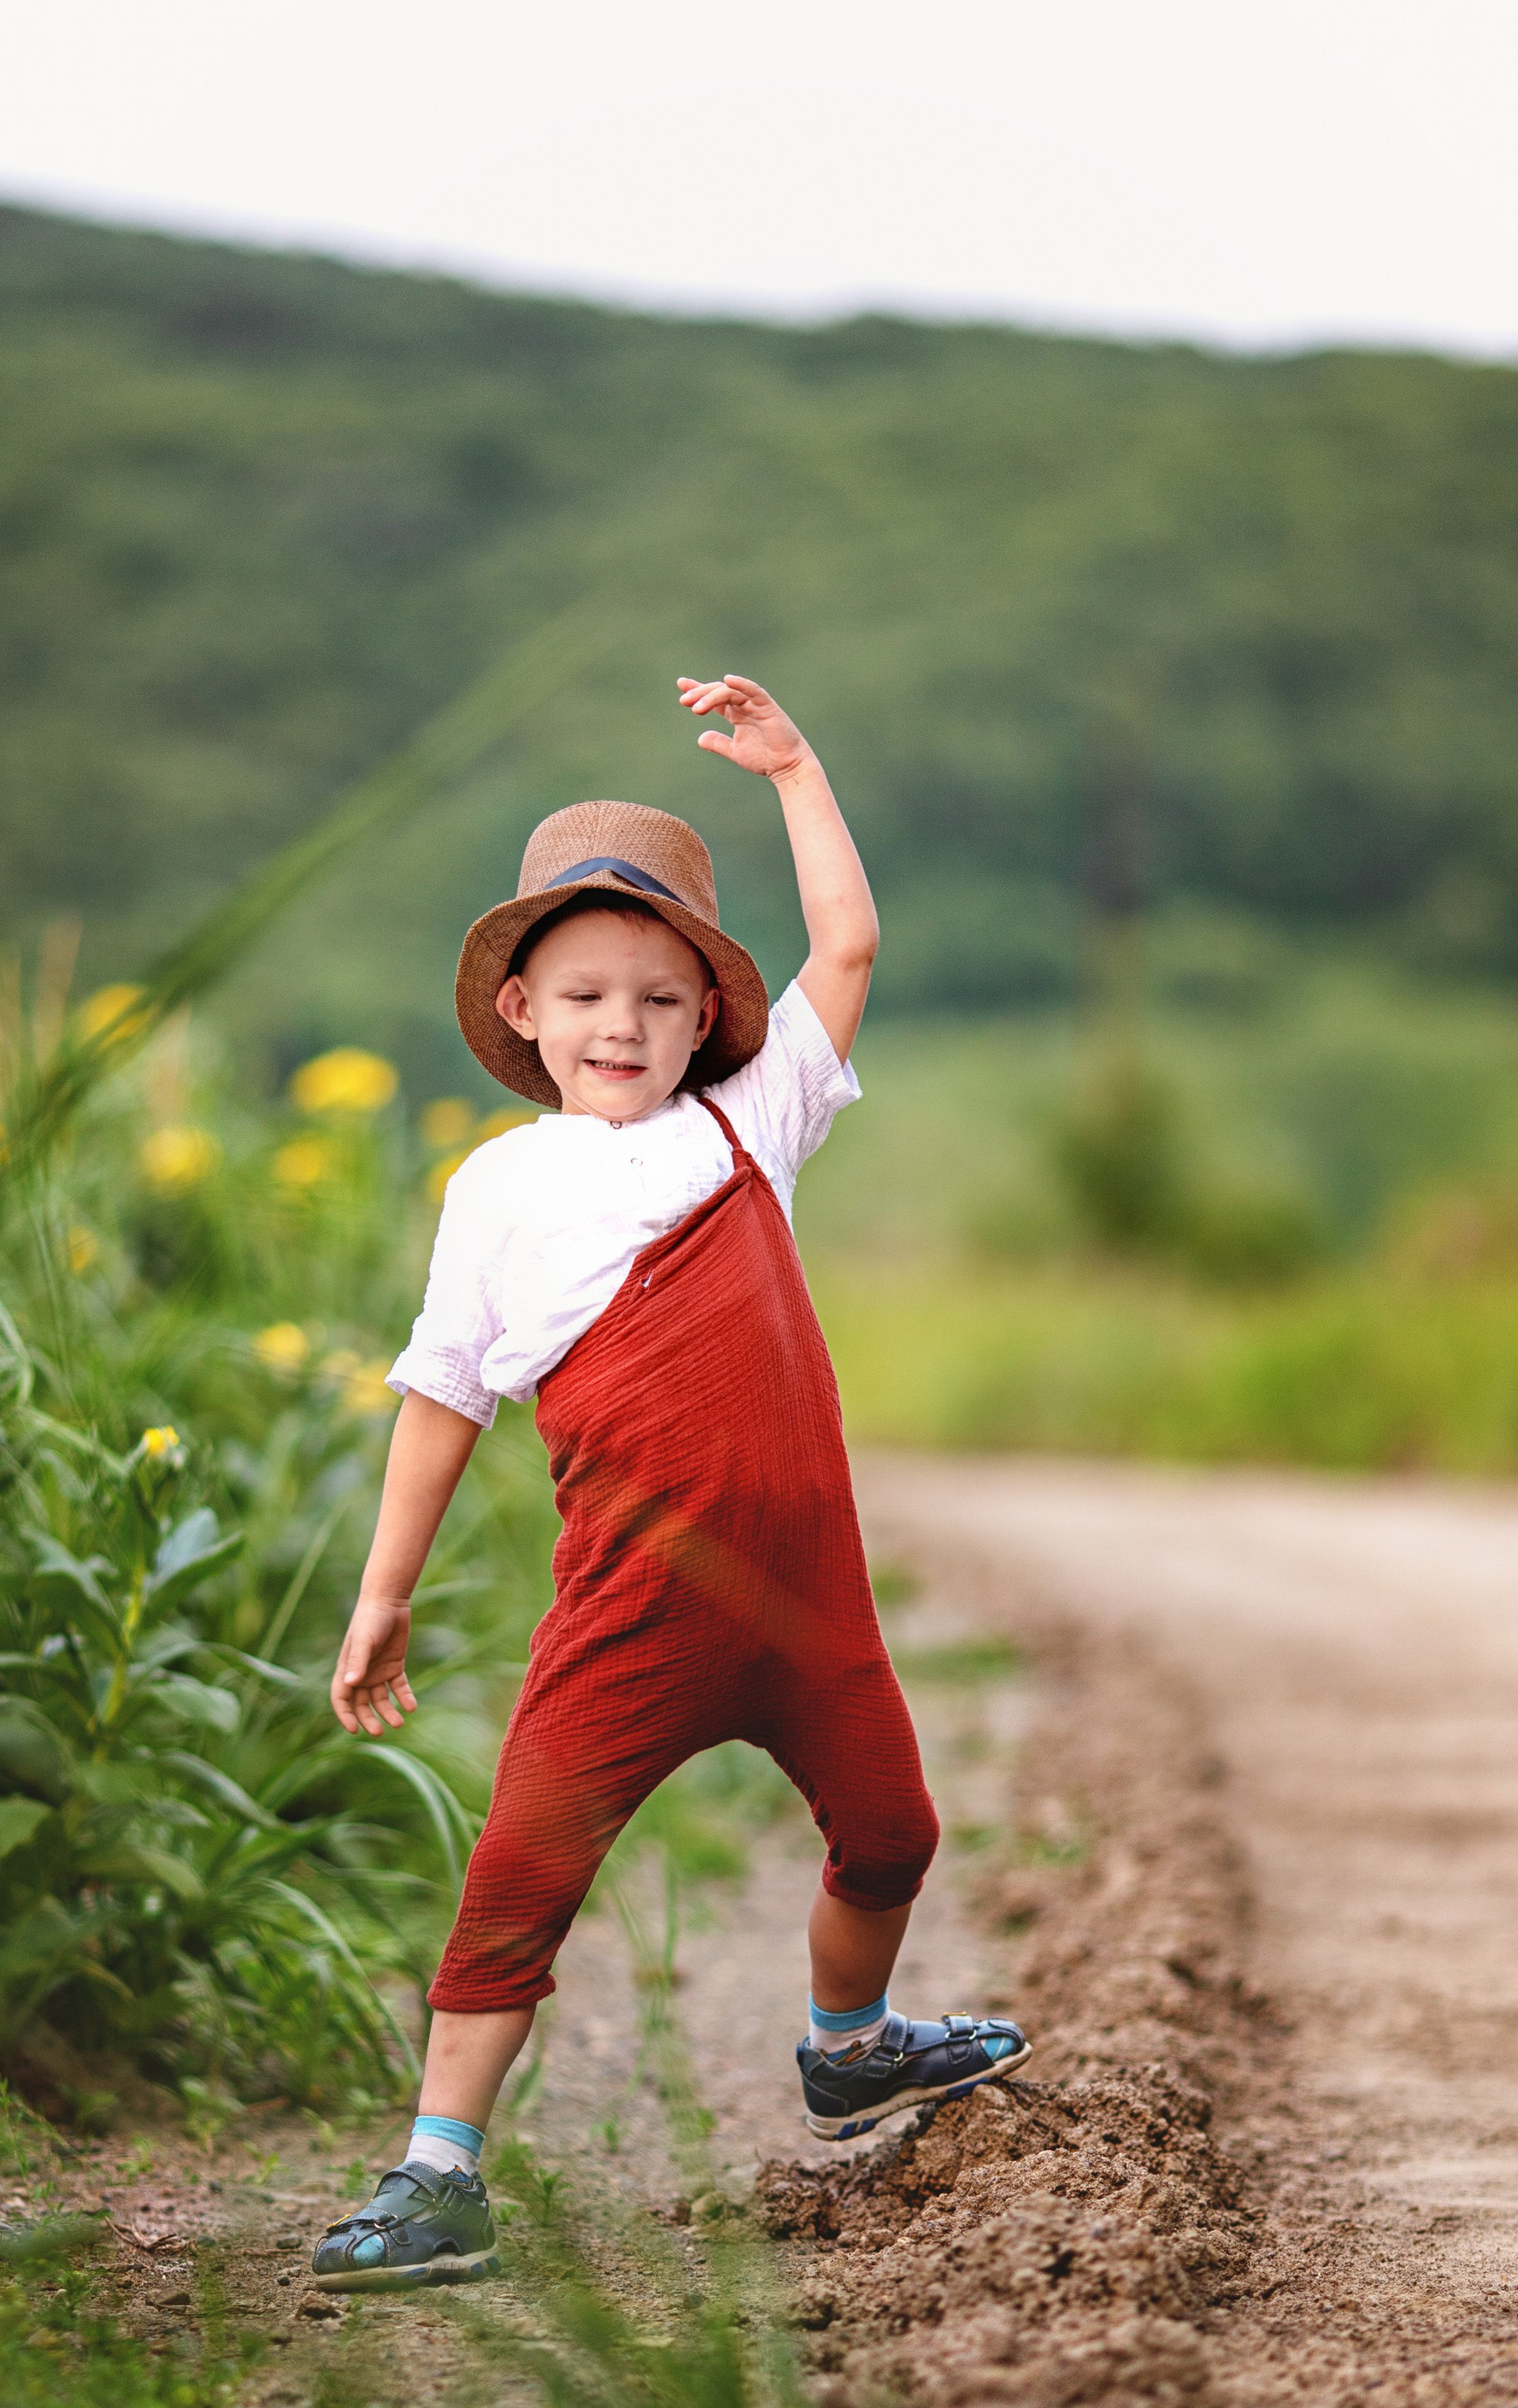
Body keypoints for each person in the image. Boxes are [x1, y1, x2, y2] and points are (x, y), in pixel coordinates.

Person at [309, 675, 1027, 2288]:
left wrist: (796, 771)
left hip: (808, 1606)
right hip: (631, 1613)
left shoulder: (749, 1132)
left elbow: (846, 949)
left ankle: (849, 2044)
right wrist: (381, 1594)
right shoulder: (497, 1187)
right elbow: (441, 1398)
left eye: (656, 997)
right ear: (521, 1014)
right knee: (519, 1876)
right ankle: (437, 2170)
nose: (620, 1027)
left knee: (894, 1831)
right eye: (583, 997)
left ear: (709, 1018)